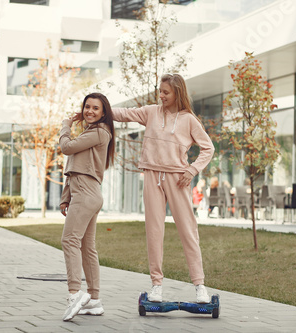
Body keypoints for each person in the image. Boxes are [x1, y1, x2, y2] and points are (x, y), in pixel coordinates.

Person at [112, 74, 215, 303]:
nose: (161, 95)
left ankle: (199, 285)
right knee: (154, 231)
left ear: (178, 93)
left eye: (166, 92)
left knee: (188, 231)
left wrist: (192, 170)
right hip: (151, 175)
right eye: (160, 91)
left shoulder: (189, 120)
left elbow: (208, 148)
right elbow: (124, 113)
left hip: (178, 179)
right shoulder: (150, 112)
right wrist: (100, 108)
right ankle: (156, 285)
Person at [59, 93, 115, 322]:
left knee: (69, 240)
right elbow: (75, 166)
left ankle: (75, 294)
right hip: (87, 192)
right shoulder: (91, 133)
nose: (90, 111)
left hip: (85, 193)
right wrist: (65, 197)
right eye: (87, 107)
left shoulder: (100, 132)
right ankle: (93, 299)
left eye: (95, 108)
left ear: (103, 113)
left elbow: (66, 148)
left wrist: (65, 124)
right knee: (86, 247)